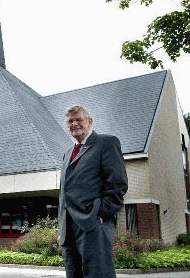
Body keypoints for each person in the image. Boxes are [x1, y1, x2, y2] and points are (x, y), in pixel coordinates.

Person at [58, 105, 128, 278]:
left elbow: (117, 184)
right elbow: (65, 193)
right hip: (68, 228)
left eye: (78, 119)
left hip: (93, 224)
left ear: (89, 121)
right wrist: (62, 227)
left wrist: (101, 214)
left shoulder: (107, 143)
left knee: (98, 274)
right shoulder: (67, 154)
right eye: (70, 121)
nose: (74, 124)